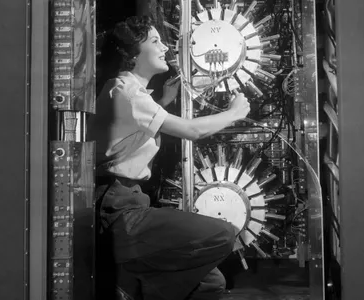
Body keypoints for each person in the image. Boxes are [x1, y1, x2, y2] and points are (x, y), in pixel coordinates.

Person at [88, 16, 251, 300]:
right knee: (222, 235)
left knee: (211, 282)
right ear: (132, 53)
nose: (164, 47)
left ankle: (135, 284)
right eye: (155, 41)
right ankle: (128, 287)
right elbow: (192, 131)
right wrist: (235, 112)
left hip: (127, 199)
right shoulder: (126, 92)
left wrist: (163, 101)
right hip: (118, 210)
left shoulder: (130, 92)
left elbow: (130, 130)